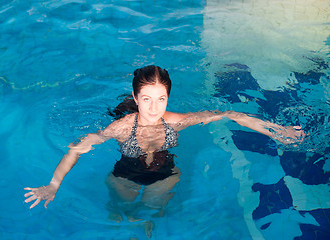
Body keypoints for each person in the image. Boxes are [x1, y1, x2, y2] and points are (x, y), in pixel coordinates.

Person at [24, 65, 304, 228]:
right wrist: (53, 184)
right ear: (135, 97)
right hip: (124, 175)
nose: (154, 108)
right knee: (120, 206)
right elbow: (76, 149)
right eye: (146, 99)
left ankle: (143, 222)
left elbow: (232, 115)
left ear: (169, 97)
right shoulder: (121, 128)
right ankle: (121, 212)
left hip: (165, 175)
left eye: (161, 99)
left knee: (152, 212)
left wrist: (279, 131)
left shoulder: (178, 122)